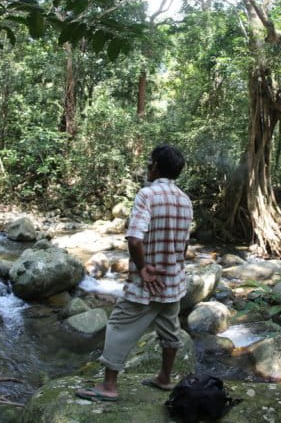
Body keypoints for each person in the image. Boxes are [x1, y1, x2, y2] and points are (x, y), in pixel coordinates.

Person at [76, 144, 193, 402]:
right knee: (171, 330)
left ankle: (109, 386)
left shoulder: (147, 195)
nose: (147, 168)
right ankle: (164, 377)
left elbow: (135, 240)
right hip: (172, 281)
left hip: (146, 283)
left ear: (156, 167)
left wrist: (143, 269)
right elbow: (183, 246)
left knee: (118, 325)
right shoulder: (185, 200)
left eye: (150, 163)